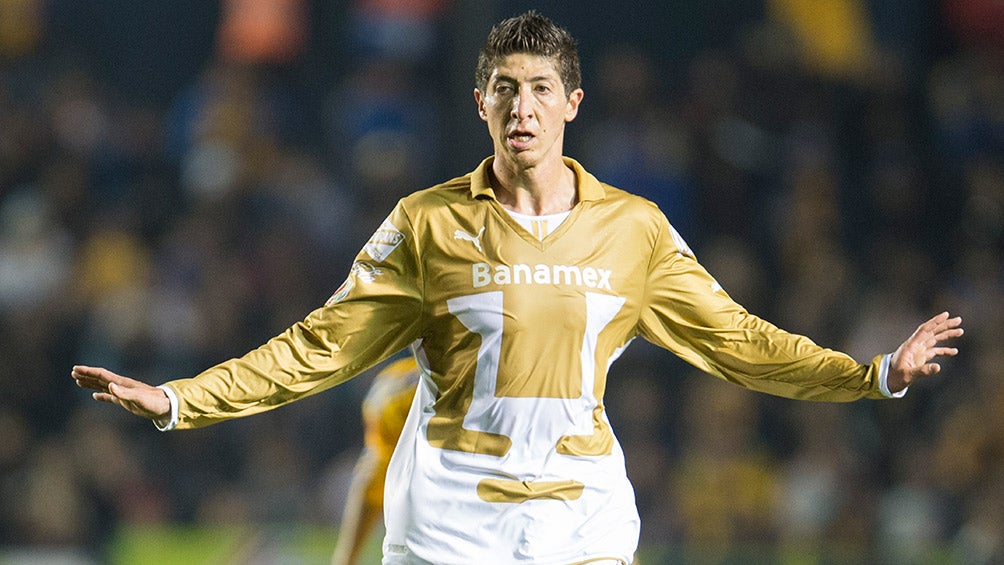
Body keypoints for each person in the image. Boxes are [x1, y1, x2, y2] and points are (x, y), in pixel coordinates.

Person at [72, 10, 964, 565]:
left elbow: (738, 340)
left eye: (541, 88)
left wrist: (871, 373)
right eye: (505, 89)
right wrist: (182, 398)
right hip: (452, 522)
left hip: (581, 516)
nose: (522, 106)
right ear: (480, 104)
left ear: (573, 103)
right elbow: (320, 345)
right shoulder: (425, 224)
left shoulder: (634, 230)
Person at [332, 355, 419, 565]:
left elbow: (374, 476)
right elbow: (376, 474)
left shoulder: (396, 385)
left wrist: (346, 559)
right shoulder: (398, 386)